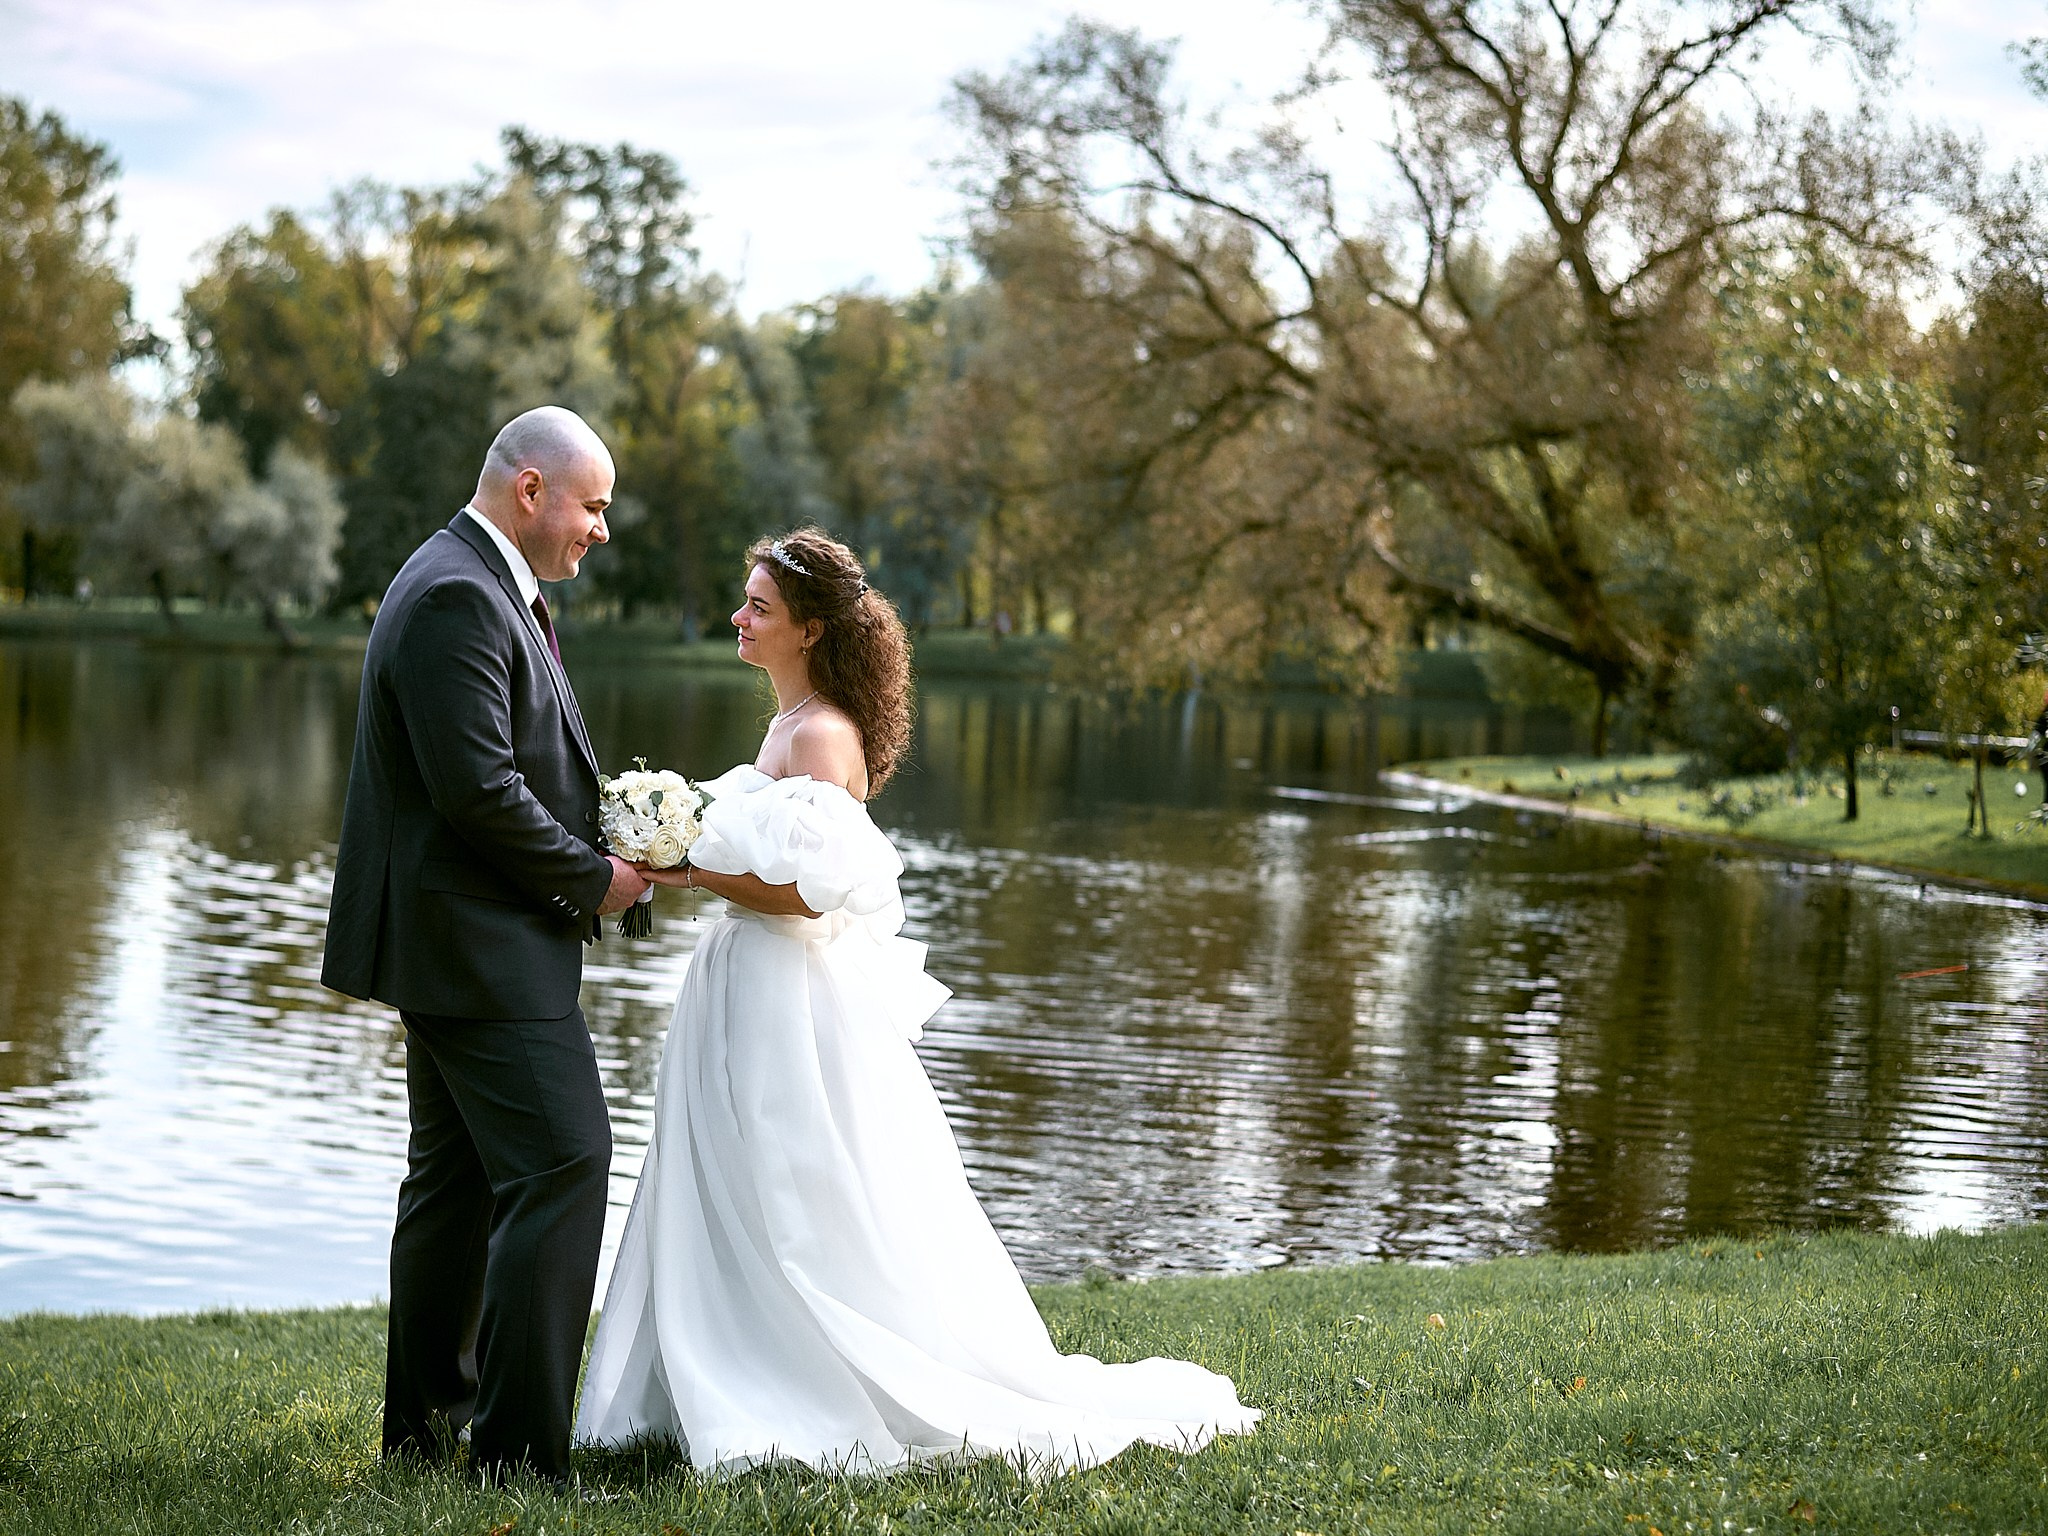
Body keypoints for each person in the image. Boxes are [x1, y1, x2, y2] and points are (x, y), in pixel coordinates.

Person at [573, 526, 1260, 1472]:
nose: (739, 616)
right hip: (741, 982)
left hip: (786, 996)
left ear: (809, 629)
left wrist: (683, 868)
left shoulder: (818, 736)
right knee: (733, 1176)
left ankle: (798, 1379)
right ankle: (715, 1369)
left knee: (798, 1188)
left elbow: (811, 894)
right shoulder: (787, 723)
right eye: (744, 600)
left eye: (759, 607)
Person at [321, 406, 652, 1484]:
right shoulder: (459, 592)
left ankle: (425, 1432)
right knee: (565, 1159)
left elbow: (512, 769)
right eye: (591, 505)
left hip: (464, 942)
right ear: (529, 490)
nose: (600, 529)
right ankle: (513, 1455)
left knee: (457, 1183)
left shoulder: (474, 577)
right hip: (476, 949)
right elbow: (478, 794)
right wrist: (597, 878)